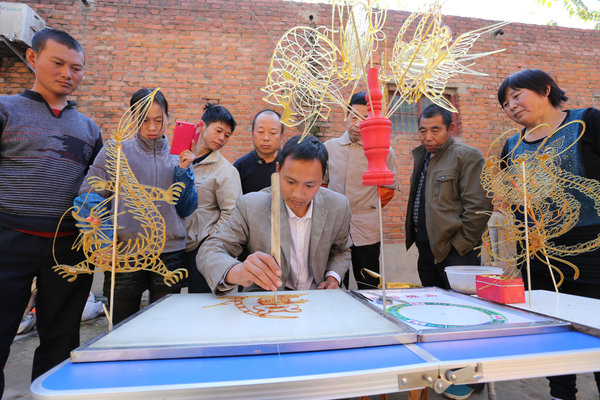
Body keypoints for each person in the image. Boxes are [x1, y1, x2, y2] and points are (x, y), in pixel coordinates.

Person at [0, 28, 103, 396]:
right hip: (9, 238)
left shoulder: (89, 129)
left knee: (61, 339)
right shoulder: (6, 110)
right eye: (58, 63)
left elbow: (98, 188)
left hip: (69, 245)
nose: (67, 74)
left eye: (76, 68)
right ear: (32, 58)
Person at [498, 68, 600, 400]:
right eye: (504, 103)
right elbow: (514, 201)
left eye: (516, 96)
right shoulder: (511, 147)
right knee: (552, 330)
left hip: (592, 251)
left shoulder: (588, 123)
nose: (510, 106)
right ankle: (561, 394)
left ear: (544, 90)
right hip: (539, 256)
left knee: (595, 330)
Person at [78, 88, 198, 325]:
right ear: (133, 118)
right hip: (123, 251)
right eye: (144, 120)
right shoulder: (116, 151)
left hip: (169, 252)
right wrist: (102, 240)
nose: (152, 128)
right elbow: (88, 196)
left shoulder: (178, 155)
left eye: (158, 120)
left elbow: (186, 208)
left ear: (168, 118)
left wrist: (184, 171)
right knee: (122, 324)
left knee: (163, 325)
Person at [405, 104, 491, 400]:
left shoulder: (467, 156)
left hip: (457, 253)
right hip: (427, 248)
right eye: (422, 130)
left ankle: (468, 377)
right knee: (435, 313)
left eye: (435, 130)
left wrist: (460, 246)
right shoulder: (423, 156)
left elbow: (479, 207)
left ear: (450, 128)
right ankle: (445, 369)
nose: (427, 136)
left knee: (463, 316)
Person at [197, 134, 351, 295]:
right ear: (277, 170)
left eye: (310, 185)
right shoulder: (251, 206)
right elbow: (210, 250)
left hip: (319, 300)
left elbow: (341, 250)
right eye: (290, 182)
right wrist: (238, 271)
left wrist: (333, 278)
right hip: (268, 302)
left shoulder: (338, 206)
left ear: (322, 178)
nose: (298, 194)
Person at [324, 91, 396, 289]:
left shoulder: (384, 151)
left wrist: (368, 209)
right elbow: (322, 186)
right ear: (345, 116)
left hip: (367, 230)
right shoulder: (329, 148)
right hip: (335, 230)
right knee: (334, 284)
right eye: (353, 116)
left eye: (365, 118)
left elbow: (387, 191)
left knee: (370, 286)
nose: (357, 124)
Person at [185, 103, 241, 293]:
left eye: (226, 135)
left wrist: (210, 239)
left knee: (199, 303)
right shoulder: (177, 157)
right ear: (202, 126)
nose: (222, 138)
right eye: (218, 131)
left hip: (200, 248)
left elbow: (232, 212)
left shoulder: (225, 171)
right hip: (172, 244)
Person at [234, 109, 284, 194]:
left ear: (281, 137)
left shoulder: (289, 165)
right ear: (252, 133)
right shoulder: (240, 167)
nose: (266, 138)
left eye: (273, 133)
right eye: (260, 132)